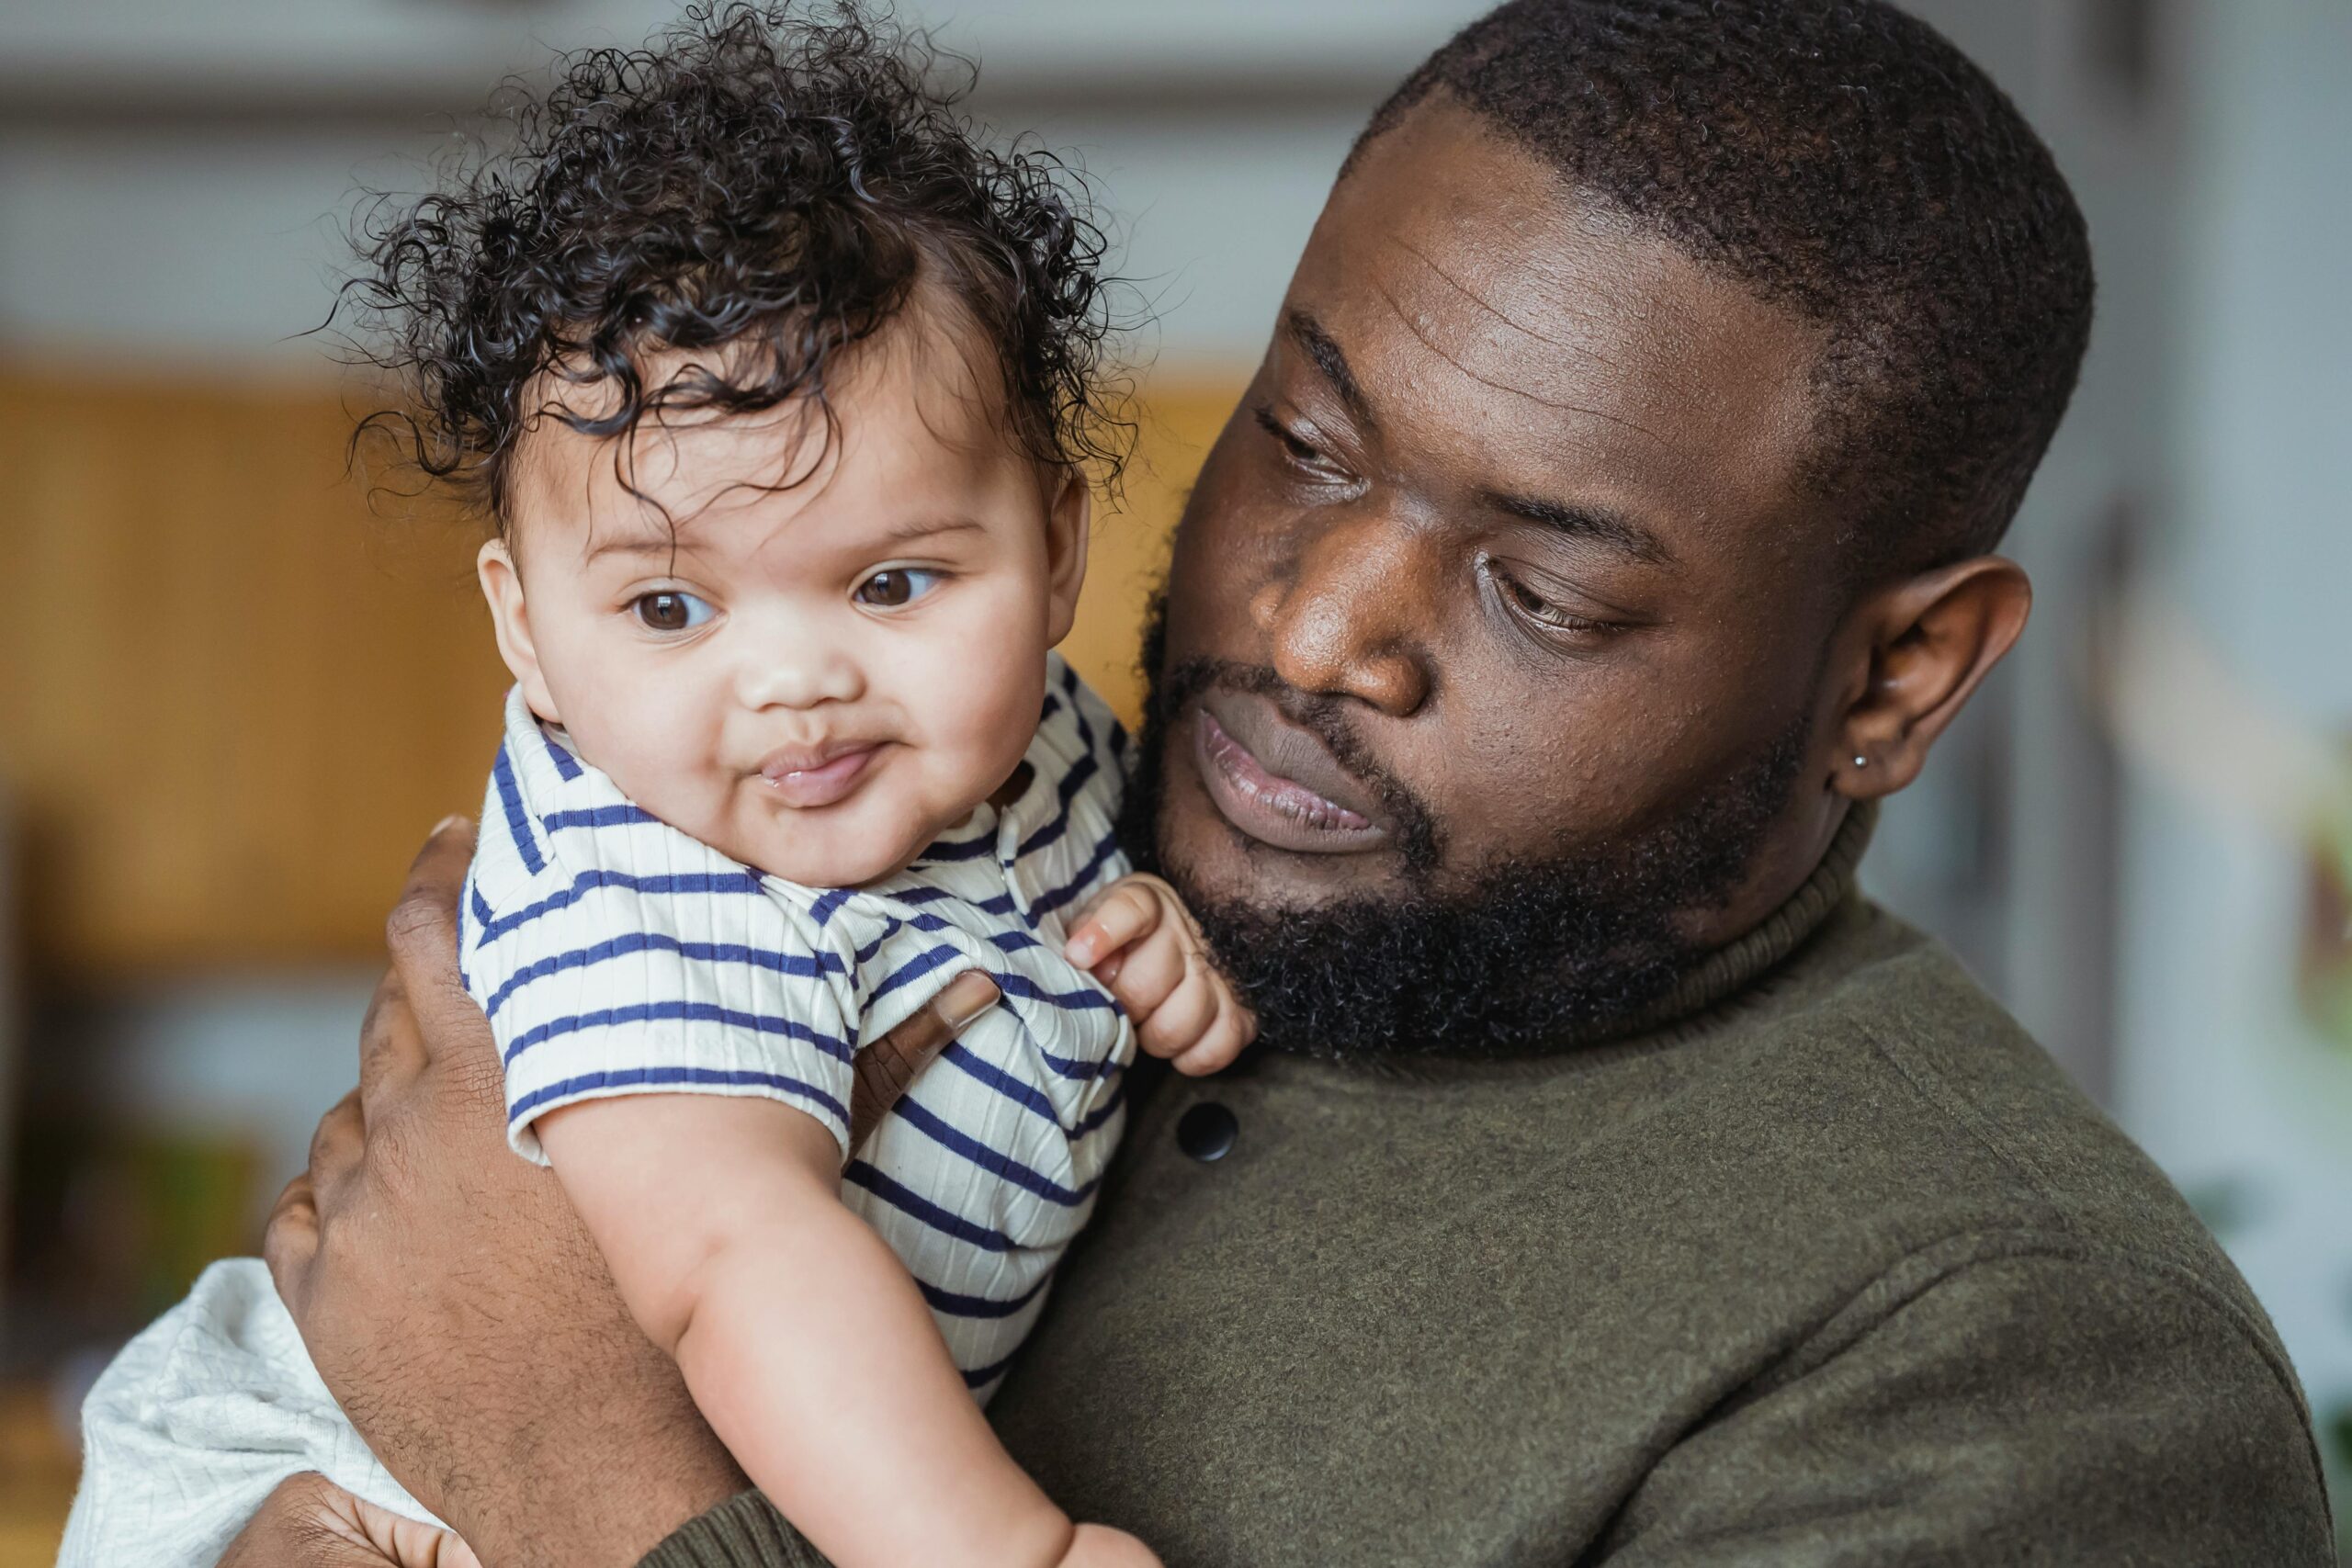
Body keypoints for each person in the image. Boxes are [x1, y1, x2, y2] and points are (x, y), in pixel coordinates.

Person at [235, 0, 2338, 1563]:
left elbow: (503, 1329)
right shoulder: (976, 816)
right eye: (1305, 443)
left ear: (1894, 674)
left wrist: (592, 1460)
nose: (1317, 628)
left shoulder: (2022, 1373)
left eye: (1537, 588)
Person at [65, 9, 1253, 1567]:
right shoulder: (643, 883)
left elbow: (1040, 914)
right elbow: (734, 1260)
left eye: (892, 583)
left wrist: (1137, 931)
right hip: (324, 1460)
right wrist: (1003, 1554)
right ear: (528, 633)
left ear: (1056, 552)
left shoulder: (1035, 747)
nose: (794, 682)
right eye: (673, 607)